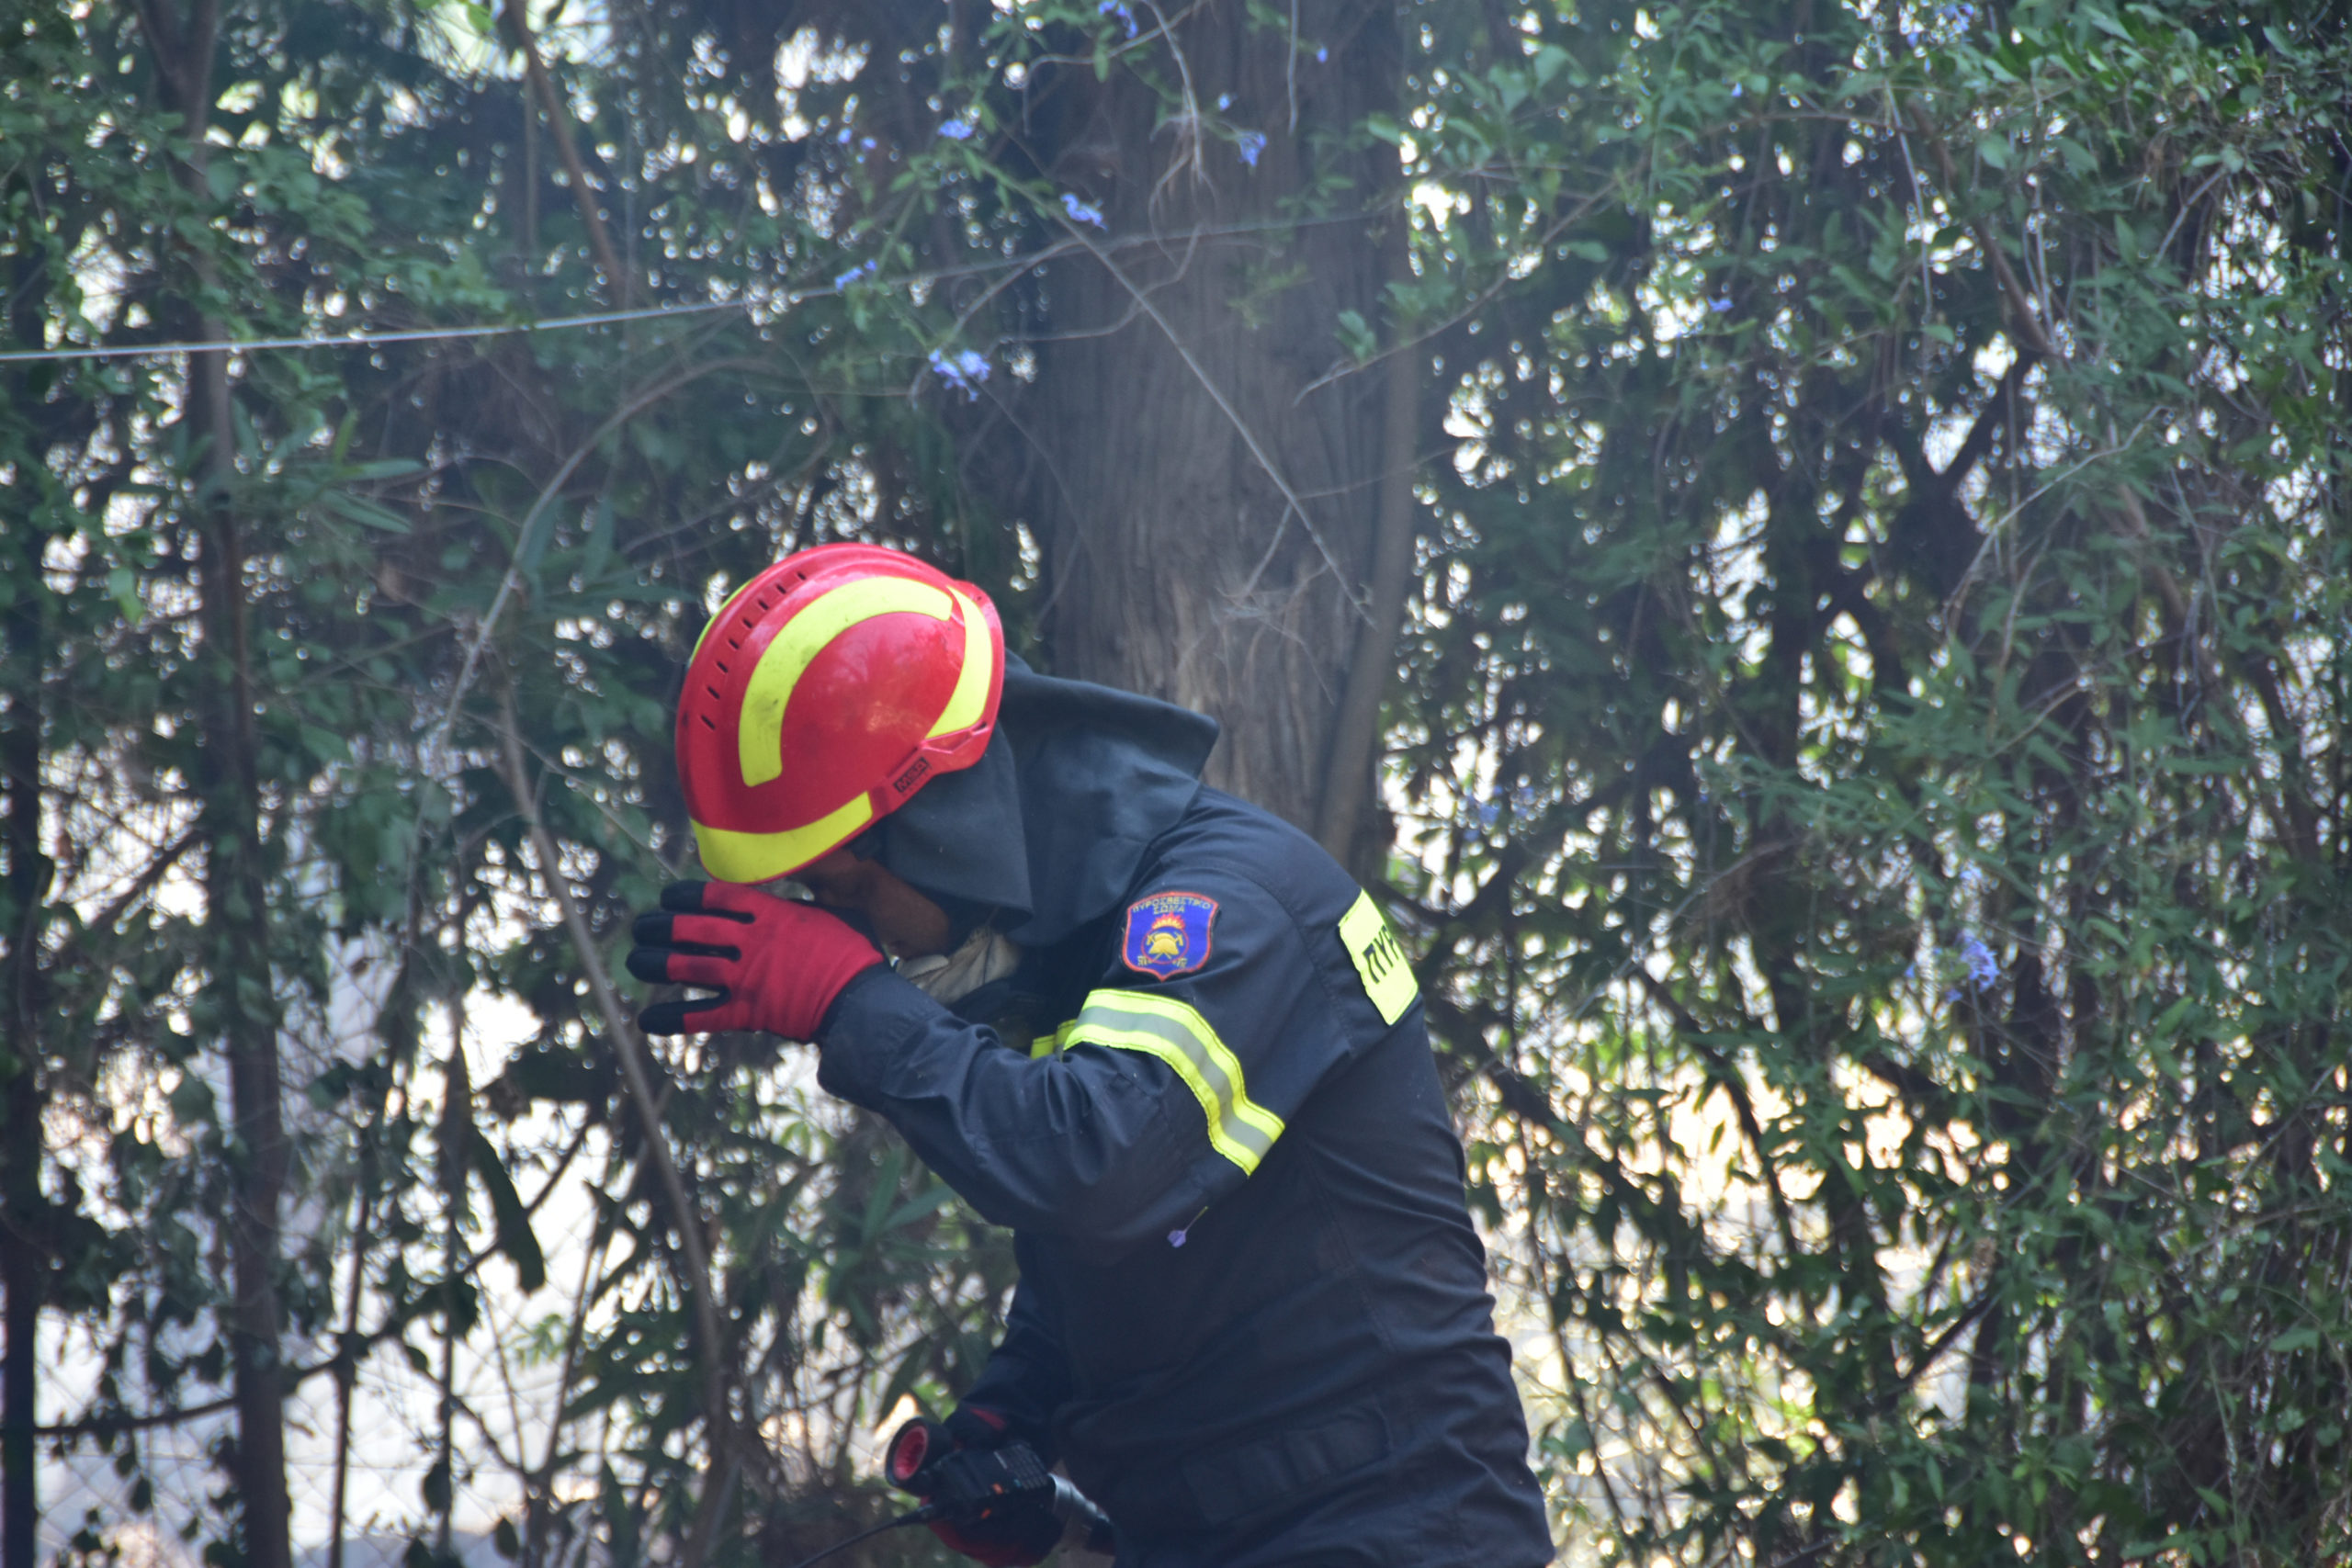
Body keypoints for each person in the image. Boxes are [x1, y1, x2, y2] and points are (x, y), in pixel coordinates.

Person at [628, 544, 1555, 1568]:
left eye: (848, 892)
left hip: (1390, 1528)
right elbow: (1132, 1258)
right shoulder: (1076, 944)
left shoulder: (1229, 908)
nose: (864, 935)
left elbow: (1105, 1170)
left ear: (940, 820)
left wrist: (850, 1002)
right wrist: (1013, 1417)